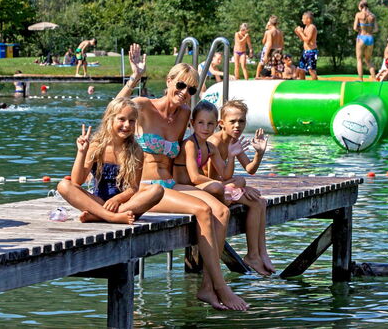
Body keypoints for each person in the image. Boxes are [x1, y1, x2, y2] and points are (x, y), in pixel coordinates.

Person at [117, 43, 249, 311]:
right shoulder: (143, 106)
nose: (184, 92)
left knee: (222, 211)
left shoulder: (185, 114)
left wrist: (225, 166)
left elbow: (202, 141)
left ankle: (207, 287)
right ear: (168, 81)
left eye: (190, 89)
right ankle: (222, 286)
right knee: (202, 210)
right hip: (146, 187)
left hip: (171, 184)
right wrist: (135, 77)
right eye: (180, 85)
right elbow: (113, 110)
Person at [57, 98, 164, 224]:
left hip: (124, 204)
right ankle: (111, 217)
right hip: (98, 202)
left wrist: (117, 200)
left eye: (131, 121)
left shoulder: (136, 150)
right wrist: (81, 152)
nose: (127, 125)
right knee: (63, 185)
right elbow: (77, 182)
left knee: (157, 190)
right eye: (122, 119)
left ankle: (99, 216)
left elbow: (133, 188)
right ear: (109, 119)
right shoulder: (96, 146)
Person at [208, 100, 274, 276]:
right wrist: (240, 187)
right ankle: (253, 255)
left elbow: (250, 169)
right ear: (222, 123)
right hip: (210, 189)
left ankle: (261, 252)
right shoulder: (214, 142)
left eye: (241, 121)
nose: (237, 125)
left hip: (223, 185)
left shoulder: (234, 140)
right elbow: (213, 179)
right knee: (253, 200)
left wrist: (259, 154)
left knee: (261, 202)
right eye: (233, 121)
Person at [353, 0, 377, 81]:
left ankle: (360, 79)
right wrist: (370, 31)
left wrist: (360, 30)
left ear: (361, 7)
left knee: (359, 59)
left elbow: (355, 28)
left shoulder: (358, 14)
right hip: (370, 38)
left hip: (361, 37)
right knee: (368, 60)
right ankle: (374, 78)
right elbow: (376, 29)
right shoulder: (373, 16)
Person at [294, 11, 318, 80]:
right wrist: (298, 33)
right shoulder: (306, 27)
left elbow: (307, 40)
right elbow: (303, 39)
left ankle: (315, 84)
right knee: (301, 69)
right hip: (305, 51)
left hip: (312, 51)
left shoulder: (312, 27)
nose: (302, 20)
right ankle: (303, 84)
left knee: (311, 69)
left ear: (308, 19)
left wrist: (301, 32)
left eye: (303, 18)